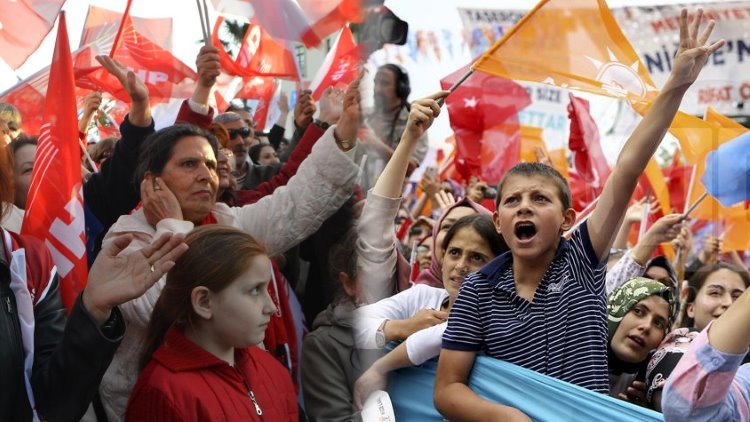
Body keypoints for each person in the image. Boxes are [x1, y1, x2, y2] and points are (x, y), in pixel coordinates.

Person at [434, 9, 723, 420]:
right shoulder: (478, 293)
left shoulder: (582, 257)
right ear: (498, 223)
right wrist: (505, 417)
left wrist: (675, 85)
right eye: (512, 201)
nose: (525, 207)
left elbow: (626, 169)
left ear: (568, 219)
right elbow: (447, 390)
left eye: (540, 199)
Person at [98, 77, 362, 420]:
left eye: (209, 164)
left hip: (238, 394)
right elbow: (175, 311)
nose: (206, 175)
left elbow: (293, 208)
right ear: (152, 181)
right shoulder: (127, 238)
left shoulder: (225, 221)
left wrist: (345, 131)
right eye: (189, 164)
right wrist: (172, 227)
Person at [126, 225, 297, 421]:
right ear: (204, 301)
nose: (271, 307)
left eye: (267, 288)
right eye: (255, 290)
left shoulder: (271, 369)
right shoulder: (163, 393)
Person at [353, 214, 506, 408]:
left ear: (499, 266)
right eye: (454, 253)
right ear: (442, 256)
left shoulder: (499, 313)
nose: (460, 266)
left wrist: (380, 368)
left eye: (477, 257)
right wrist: (402, 327)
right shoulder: (422, 297)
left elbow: (436, 337)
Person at [643, 262, 750, 410]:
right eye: (715, 293)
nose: (728, 303)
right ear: (691, 308)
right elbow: (680, 407)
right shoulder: (678, 342)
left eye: (738, 297)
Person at [360, 64, 428, 191]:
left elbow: (409, 168)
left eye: (385, 83)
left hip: (389, 201)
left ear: (401, 88)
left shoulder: (414, 122)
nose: (378, 89)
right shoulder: (364, 117)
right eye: (376, 83)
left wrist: (376, 144)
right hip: (360, 198)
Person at [606, 277, 675, 404]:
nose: (647, 326)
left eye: (658, 323)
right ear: (616, 310)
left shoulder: (651, 392)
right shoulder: (569, 352)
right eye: (638, 311)